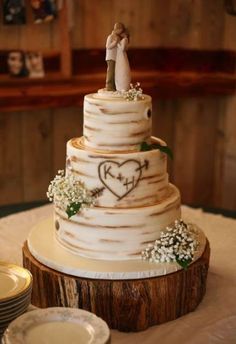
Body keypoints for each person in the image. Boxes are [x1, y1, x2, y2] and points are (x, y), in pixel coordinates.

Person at [105, 22, 125, 91]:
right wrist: (115, 42)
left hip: (115, 57)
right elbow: (108, 46)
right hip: (110, 57)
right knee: (110, 72)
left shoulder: (116, 37)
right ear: (117, 29)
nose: (120, 32)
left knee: (114, 72)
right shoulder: (110, 37)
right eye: (120, 30)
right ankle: (109, 86)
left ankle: (113, 86)